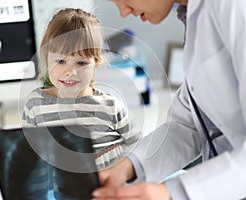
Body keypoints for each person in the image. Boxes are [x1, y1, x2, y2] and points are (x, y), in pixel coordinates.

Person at [92, 0, 246, 199]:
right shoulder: (194, 16)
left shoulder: (233, 6)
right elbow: (188, 124)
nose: (123, 11)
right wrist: (128, 167)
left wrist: (172, 193)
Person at [22, 8, 141, 170]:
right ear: (46, 59)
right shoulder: (34, 105)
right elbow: (33, 155)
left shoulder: (111, 107)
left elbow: (140, 152)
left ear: (96, 65)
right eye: (61, 61)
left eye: (81, 63)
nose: (70, 72)